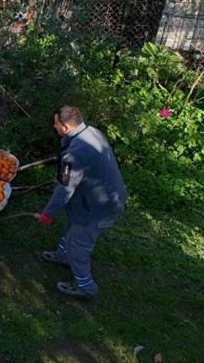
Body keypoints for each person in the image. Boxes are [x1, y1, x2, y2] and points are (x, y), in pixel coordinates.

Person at [35, 106, 127, 300]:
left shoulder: (76, 153)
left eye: (56, 123)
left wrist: (48, 214)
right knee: (72, 224)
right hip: (99, 196)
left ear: (66, 127)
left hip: (99, 207)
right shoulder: (92, 132)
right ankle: (63, 256)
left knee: (78, 245)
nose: (54, 126)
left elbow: (64, 189)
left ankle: (85, 287)